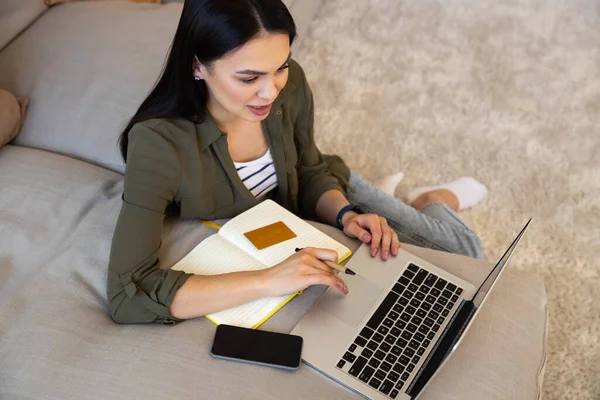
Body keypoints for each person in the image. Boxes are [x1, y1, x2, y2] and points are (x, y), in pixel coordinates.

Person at [107, 0, 486, 325]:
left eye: (280, 67)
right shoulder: (157, 144)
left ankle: (431, 198)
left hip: (321, 192)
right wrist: (268, 280)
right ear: (197, 67)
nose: (271, 91)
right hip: (278, 237)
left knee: (466, 254)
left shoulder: (292, 84)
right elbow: (126, 294)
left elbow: (310, 169)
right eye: (249, 77)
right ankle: (404, 200)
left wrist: (347, 216)